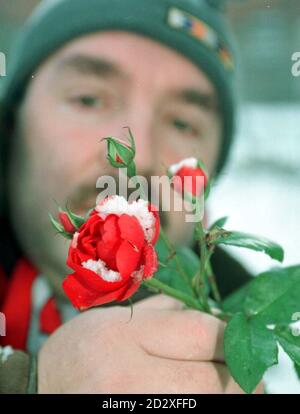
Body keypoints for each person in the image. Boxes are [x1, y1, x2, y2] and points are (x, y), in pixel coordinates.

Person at [0, 0, 258, 393]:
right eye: (88, 99)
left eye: (182, 122)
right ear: (12, 128)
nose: (137, 157)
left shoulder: (263, 346)